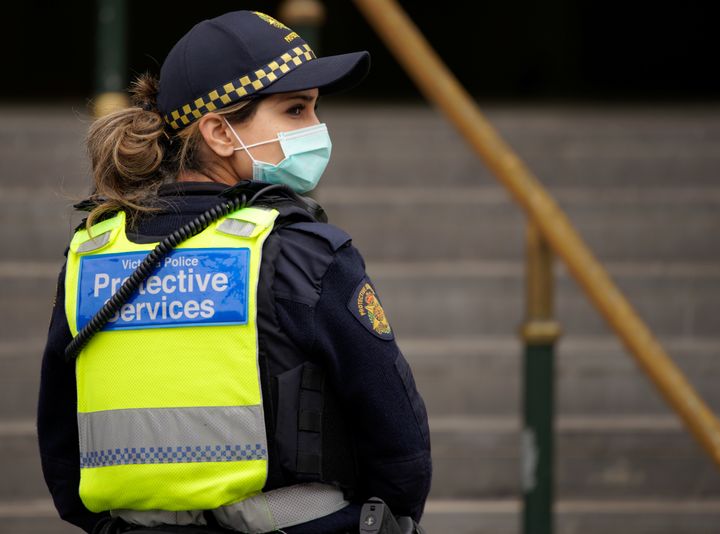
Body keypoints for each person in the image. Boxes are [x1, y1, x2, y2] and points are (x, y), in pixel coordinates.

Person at [37, 10, 432, 534]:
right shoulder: (303, 251)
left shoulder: (94, 252)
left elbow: (62, 448)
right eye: (295, 110)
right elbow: (398, 439)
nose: (316, 130)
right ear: (220, 132)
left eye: (314, 110)